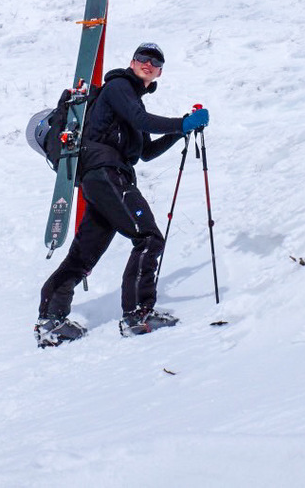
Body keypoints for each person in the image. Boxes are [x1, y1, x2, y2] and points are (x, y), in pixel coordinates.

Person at [36, 42, 210, 346]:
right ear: (132, 62)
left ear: (159, 73)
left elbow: (146, 152)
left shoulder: (133, 103)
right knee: (149, 237)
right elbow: (143, 122)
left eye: (155, 62)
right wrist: (182, 123)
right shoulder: (117, 86)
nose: (148, 63)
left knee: (84, 254)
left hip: (105, 178)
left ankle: (51, 319)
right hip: (106, 172)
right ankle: (138, 314)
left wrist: (180, 130)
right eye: (143, 57)